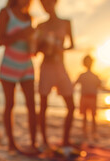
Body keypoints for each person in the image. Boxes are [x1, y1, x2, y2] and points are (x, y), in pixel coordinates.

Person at [0, 0, 38, 153]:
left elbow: (32, 49)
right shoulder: (5, 12)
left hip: (27, 64)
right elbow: (0, 41)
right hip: (9, 64)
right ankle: (12, 144)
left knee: (32, 105)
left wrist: (36, 43)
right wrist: (22, 34)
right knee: (10, 104)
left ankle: (34, 143)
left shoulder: (29, 17)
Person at [36, 0, 75, 148]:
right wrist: (44, 47)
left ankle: (65, 139)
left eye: (48, 3)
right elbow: (36, 49)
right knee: (44, 106)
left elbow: (72, 45)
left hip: (60, 66)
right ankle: (45, 141)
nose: (47, 7)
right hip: (46, 66)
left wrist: (60, 48)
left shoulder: (66, 23)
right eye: (44, 5)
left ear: (55, 3)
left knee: (71, 106)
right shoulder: (40, 26)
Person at [73, 55, 102, 138]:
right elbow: (100, 85)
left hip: (87, 97)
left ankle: (88, 132)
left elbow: (74, 85)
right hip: (89, 98)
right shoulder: (94, 76)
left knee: (88, 117)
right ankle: (91, 132)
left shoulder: (84, 75)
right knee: (90, 117)